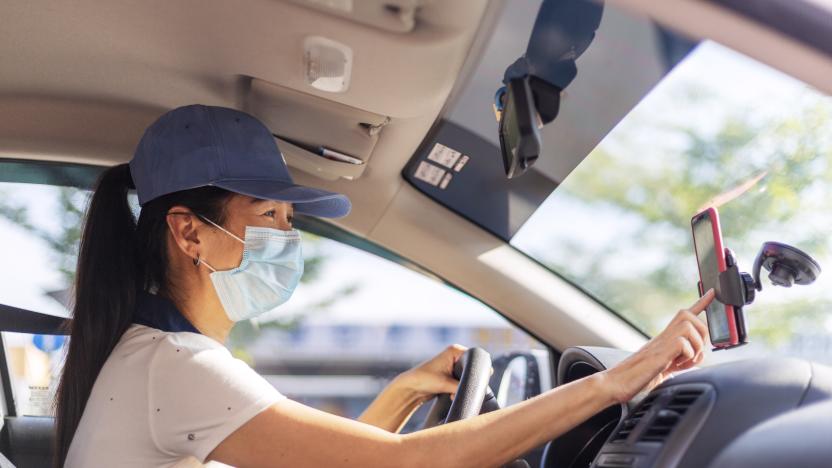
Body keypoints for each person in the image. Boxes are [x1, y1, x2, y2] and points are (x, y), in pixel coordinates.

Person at [58, 104, 713, 467]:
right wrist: (613, 382)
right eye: (267, 217)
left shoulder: (162, 357)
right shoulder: (178, 366)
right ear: (188, 232)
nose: (287, 239)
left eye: (290, 221)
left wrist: (402, 393)